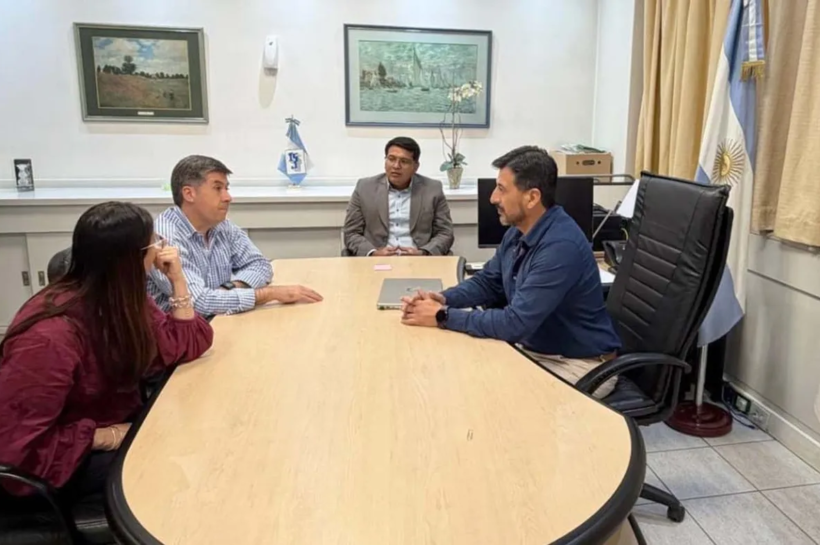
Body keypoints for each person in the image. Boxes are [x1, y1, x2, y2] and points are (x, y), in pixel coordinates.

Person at [0, 201, 213, 498]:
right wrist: (109, 436)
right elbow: (16, 451)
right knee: (176, 466)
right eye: (155, 243)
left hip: (111, 421)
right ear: (132, 260)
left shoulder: (119, 297)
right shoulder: (47, 340)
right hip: (55, 460)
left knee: (201, 432)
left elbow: (189, 342)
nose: (161, 250)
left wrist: (178, 280)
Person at [401, 146, 622, 398]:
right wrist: (442, 298)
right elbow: (488, 282)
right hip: (541, 350)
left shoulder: (560, 246)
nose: (493, 198)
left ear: (532, 197)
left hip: (581, 365)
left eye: (502, 189)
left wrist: (442, 316)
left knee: (486, 394)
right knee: (461, 368)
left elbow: (515, 323)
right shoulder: (519, 232)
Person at [148, 155, 322, 316]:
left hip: (220, 321)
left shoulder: (222, 226)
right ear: (189, 194)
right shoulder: (164, 237)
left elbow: (260, 265)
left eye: (226, 188)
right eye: (218, 188)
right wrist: (267, 294)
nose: (228, 197)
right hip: (180, 335)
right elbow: (197, 302)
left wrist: (229, 287)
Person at [343, 137, 455, 256]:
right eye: (391, 159)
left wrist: (423, 252)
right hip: (377, 259)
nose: (396, 166)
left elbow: (445, 233)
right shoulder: (364, 188)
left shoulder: (432, 189)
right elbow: (351, 233)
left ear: (415, 166)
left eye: (404, 161)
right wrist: (373, 253)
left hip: (418, 258)